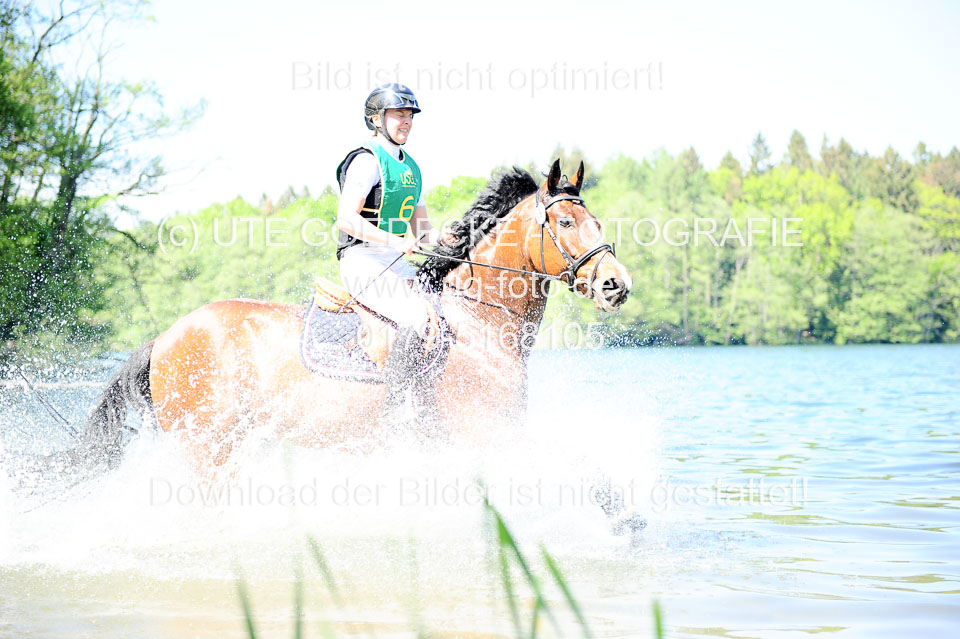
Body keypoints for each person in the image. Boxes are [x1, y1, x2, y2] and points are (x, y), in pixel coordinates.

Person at [335, 83, 444, 421]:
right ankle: (395, 411)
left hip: (394, 264)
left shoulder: (412, 169)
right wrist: (395, 241)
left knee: (445, 310)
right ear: (376, 120)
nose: (407, 121)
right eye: (399, 114)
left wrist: (450, 238)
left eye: (410, 115)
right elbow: (346, 219)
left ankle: (429, 399)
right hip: (362, 262)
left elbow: (423, 231)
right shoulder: (366, 161)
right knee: (416, 318)